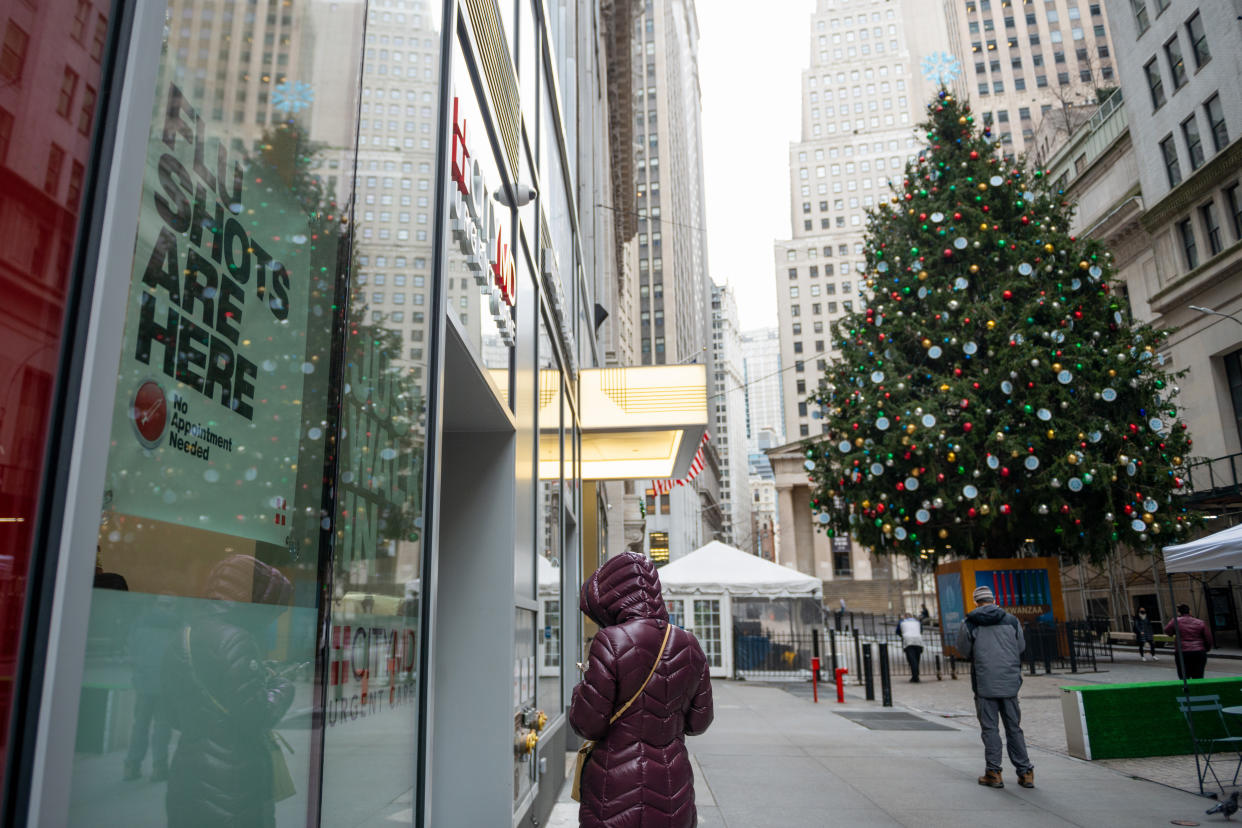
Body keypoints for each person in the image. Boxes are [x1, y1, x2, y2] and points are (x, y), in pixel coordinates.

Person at [570, 552, 713, 828]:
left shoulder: (610, 641)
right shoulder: (689, 643)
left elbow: (588, 724)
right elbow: (699, 722)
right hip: (674, 786)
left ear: (613, 596)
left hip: (615, 790)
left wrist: (581, 689)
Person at [162, 555, 296, 828]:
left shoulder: (184, 634)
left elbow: (171, 714)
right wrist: (283, 686)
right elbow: (258, 714)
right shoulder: (236, 638)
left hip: (188, 771)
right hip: (234, 780)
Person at [956, 585, 1034, 790]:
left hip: (984, 682)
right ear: (993, 599)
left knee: (990, 728)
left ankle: (994, 772)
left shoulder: (970, 622)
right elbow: (1021, 647)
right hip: (1009, 681)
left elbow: (963, 650)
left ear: (976, 601)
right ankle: (1026, 772)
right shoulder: (1011, 620)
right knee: (1014, 727)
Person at [123, 597, 178, 781]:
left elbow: (131, 653)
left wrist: (138, 675)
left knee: (140, 726)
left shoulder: (139, 624)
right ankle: (159, 768)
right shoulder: (177, 626)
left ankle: (132, 766)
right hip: (165, 687)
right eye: (169, 605)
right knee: (162, 728)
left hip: (144, 685)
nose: (169, 609)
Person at [1165, 603, 1213, 680]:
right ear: (1190, 612)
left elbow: (1167, 631)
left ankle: (1187, 691)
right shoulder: (1200, 622)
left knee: (1184, 677)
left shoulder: (1175, 621)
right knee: (1198, 676)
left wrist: (1175, 632)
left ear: (1179, 613)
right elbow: (1208, 638)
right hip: (1199, 652)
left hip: (1182, 652)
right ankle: (1197, 690)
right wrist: (1206, 649)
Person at [897, 611, 925, 682]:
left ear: (905, 617)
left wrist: (903, 635)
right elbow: (921, 630)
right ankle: (916, 675)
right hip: (918, 640)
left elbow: (897, 631)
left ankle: (915, 677)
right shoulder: (918, 622)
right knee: (917, 658)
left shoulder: (902, 622)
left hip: (908, 641)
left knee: (912, 660)